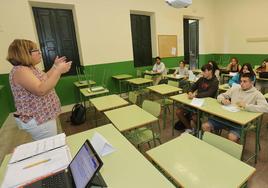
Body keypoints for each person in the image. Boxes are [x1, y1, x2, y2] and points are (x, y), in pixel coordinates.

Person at [7, 39, 72, 140]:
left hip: (43, 117)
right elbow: (41, 90)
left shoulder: (30, 68)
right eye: (35, 50)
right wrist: (58, 71)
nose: (39, 52)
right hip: (39, 120)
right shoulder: (20, 71)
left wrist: (55, 67)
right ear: (25, 53)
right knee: (49, 147)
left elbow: (45, 78)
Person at [202, 73, 268, 142]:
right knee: (205, 126)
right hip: (227, 117)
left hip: (240, 122)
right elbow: (220, 96)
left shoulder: (256, 94)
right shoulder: (236, 88)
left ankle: (231, 151)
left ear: (252, 82)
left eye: (245, 81)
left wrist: (246, 106)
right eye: (241, 81)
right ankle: (211, 145)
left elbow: (266, 108)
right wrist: (223, 100)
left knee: (232, 137)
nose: (241, 83)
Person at [175, 64, 219, 133]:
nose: (202, 73)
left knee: (194, 117)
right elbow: (192, 87)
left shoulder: (215, 81)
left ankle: (200, 131)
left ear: (210, 71)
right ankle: (189, 128)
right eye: (202, 71)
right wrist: (190, 92)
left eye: (204, 72)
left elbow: (209, 93)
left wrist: (195, 95)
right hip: (195, 101)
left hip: (205, 104)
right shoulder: (201, 79)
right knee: (178, 112)